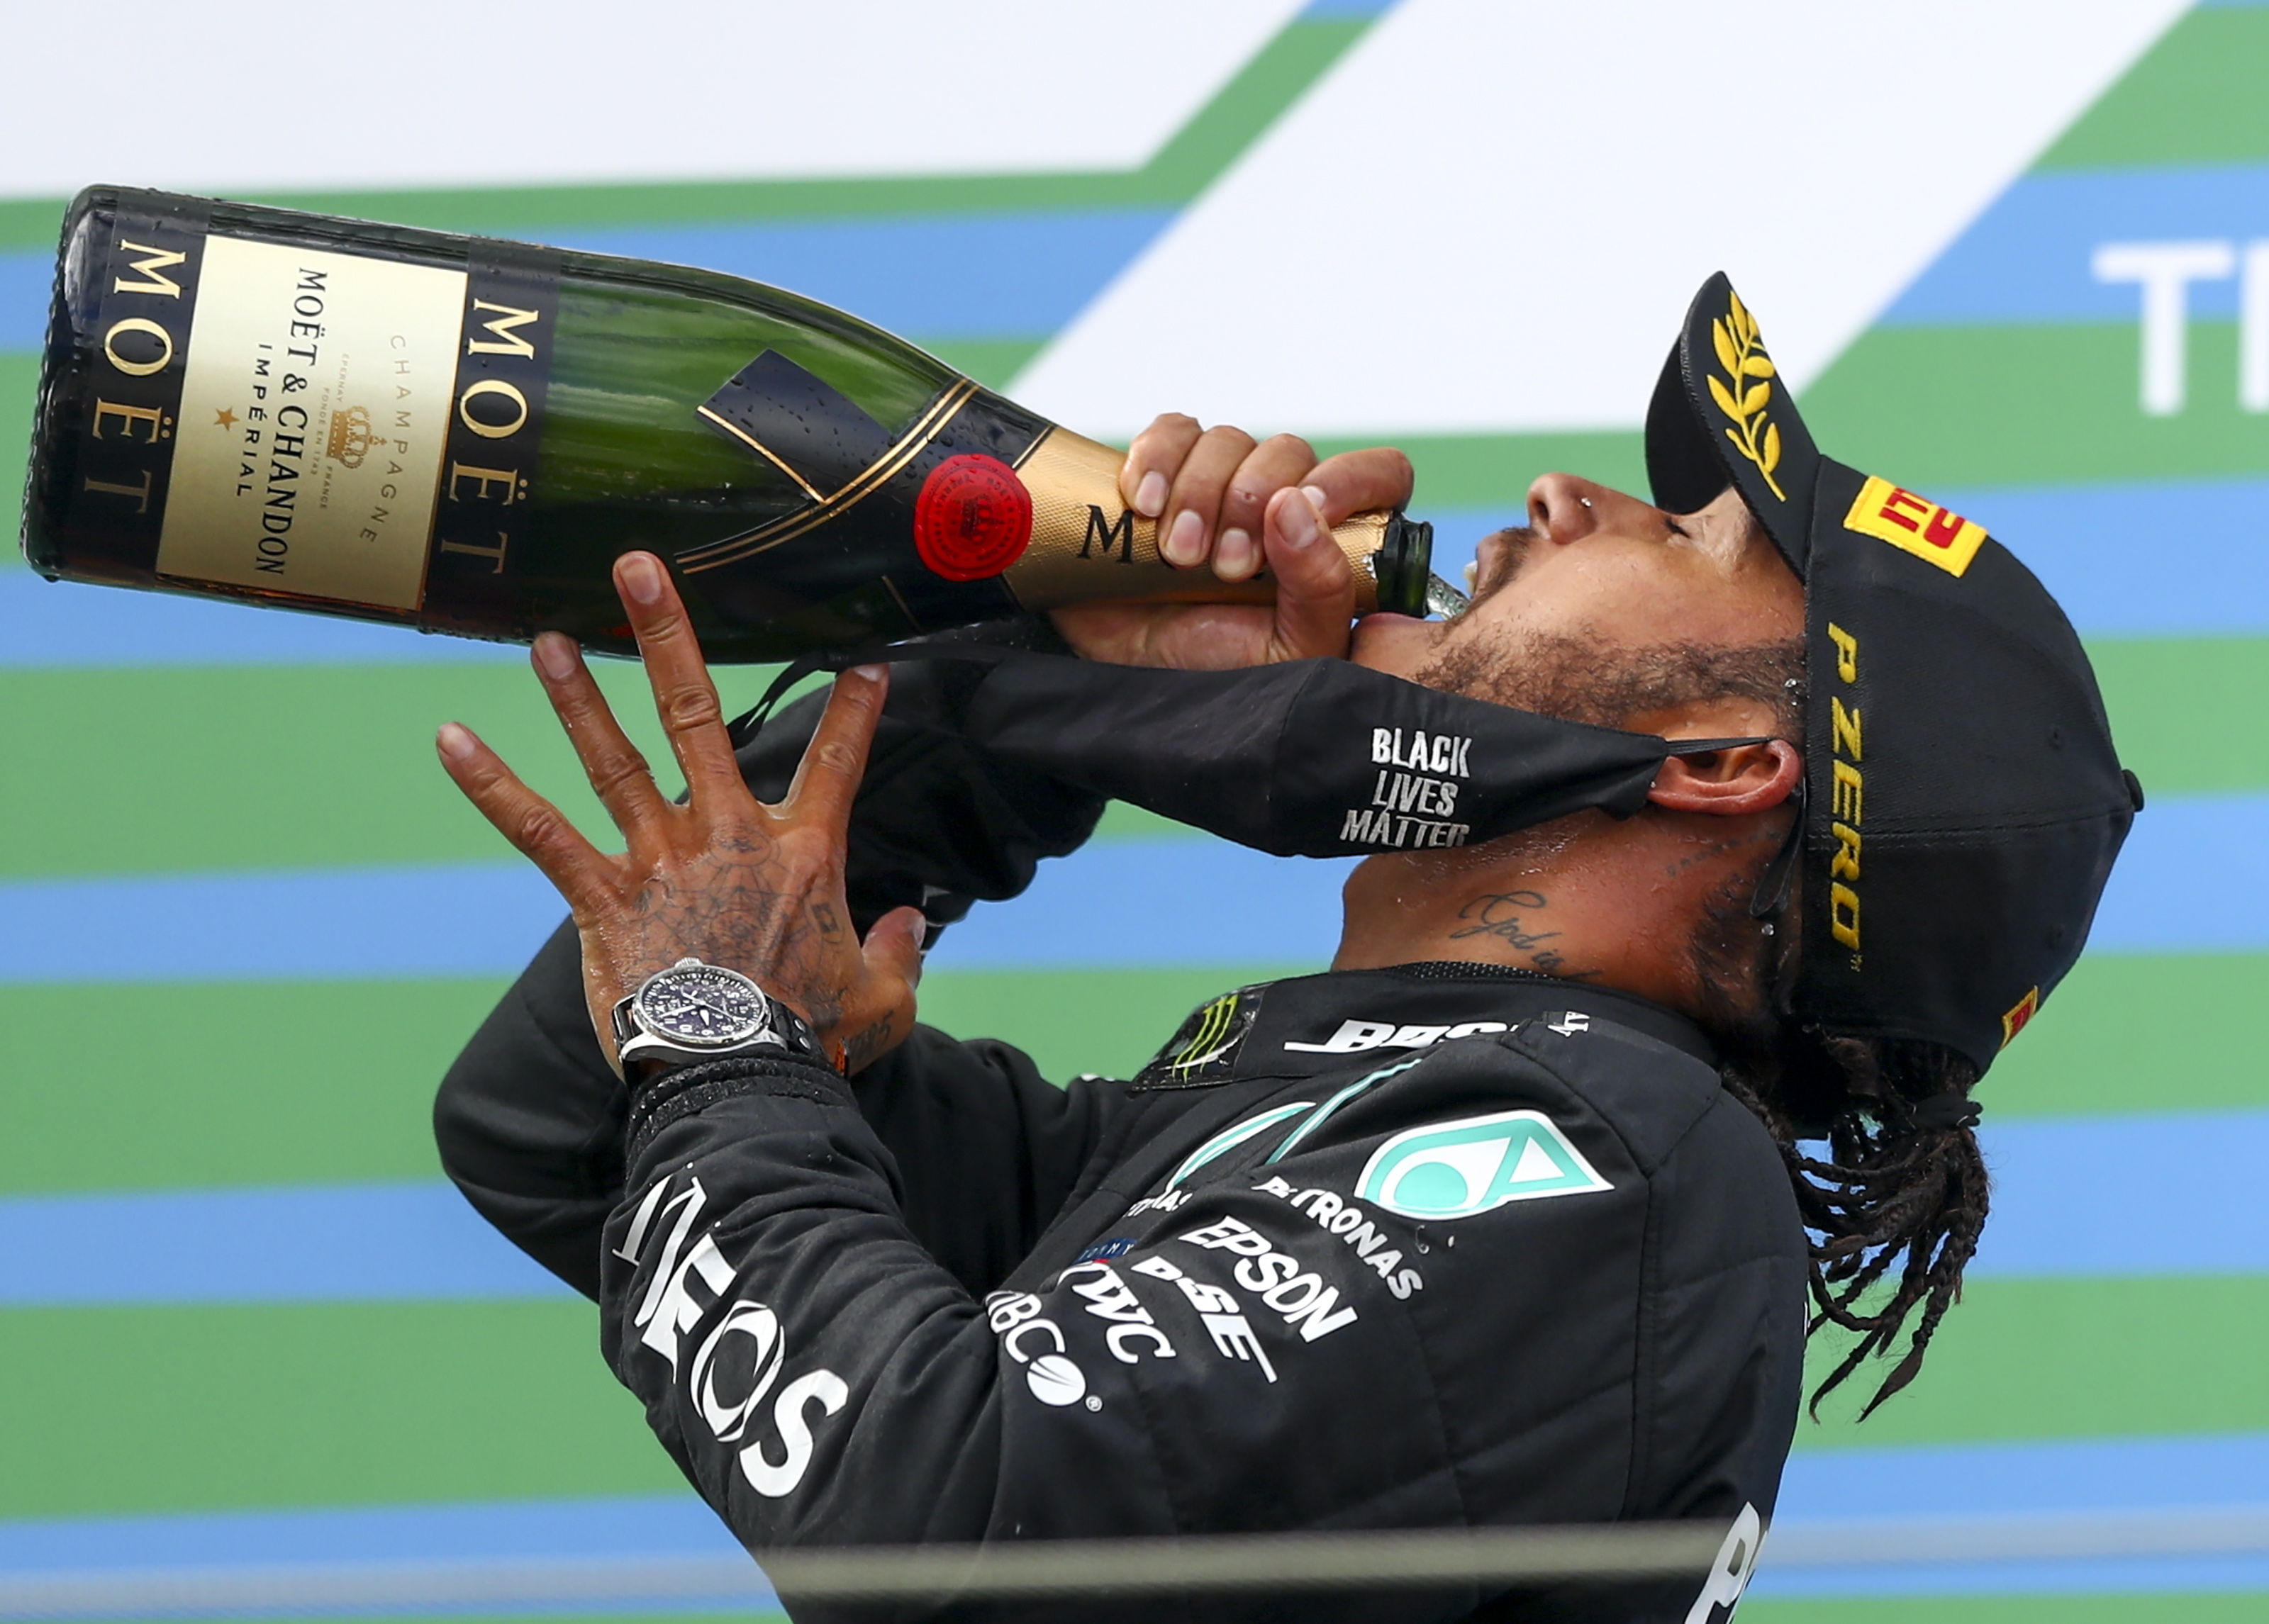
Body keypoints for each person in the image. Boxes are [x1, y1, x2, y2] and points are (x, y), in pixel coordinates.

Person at [431, 276, 2137, 1623]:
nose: (1564, 498)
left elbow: (942, 1519)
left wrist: (722, 1029)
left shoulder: (1613, 1157)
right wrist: (1029, 689)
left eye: (1694, 539)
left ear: (1719, 766)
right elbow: (566, 1131)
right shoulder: (1363, 1102)